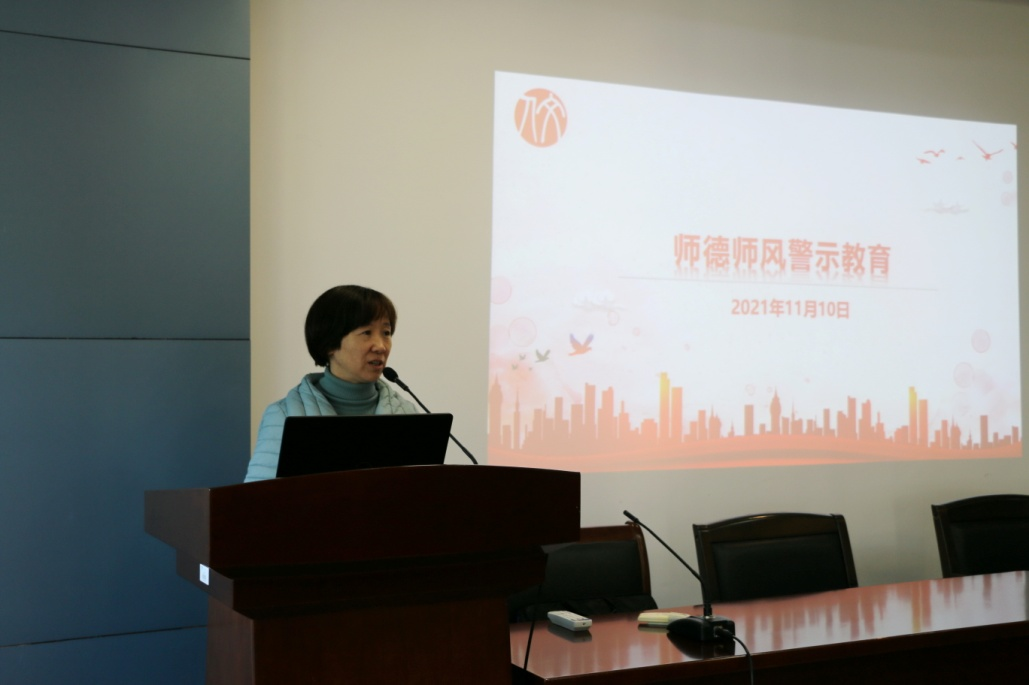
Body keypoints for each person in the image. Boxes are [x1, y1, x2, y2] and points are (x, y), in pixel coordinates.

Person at [244, 285, 417, 482]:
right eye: (367, 332)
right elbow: (257, 497)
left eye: (386, 333)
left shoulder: (407, 413)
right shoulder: (285, 415)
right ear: (330, 344)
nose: (380, 346)